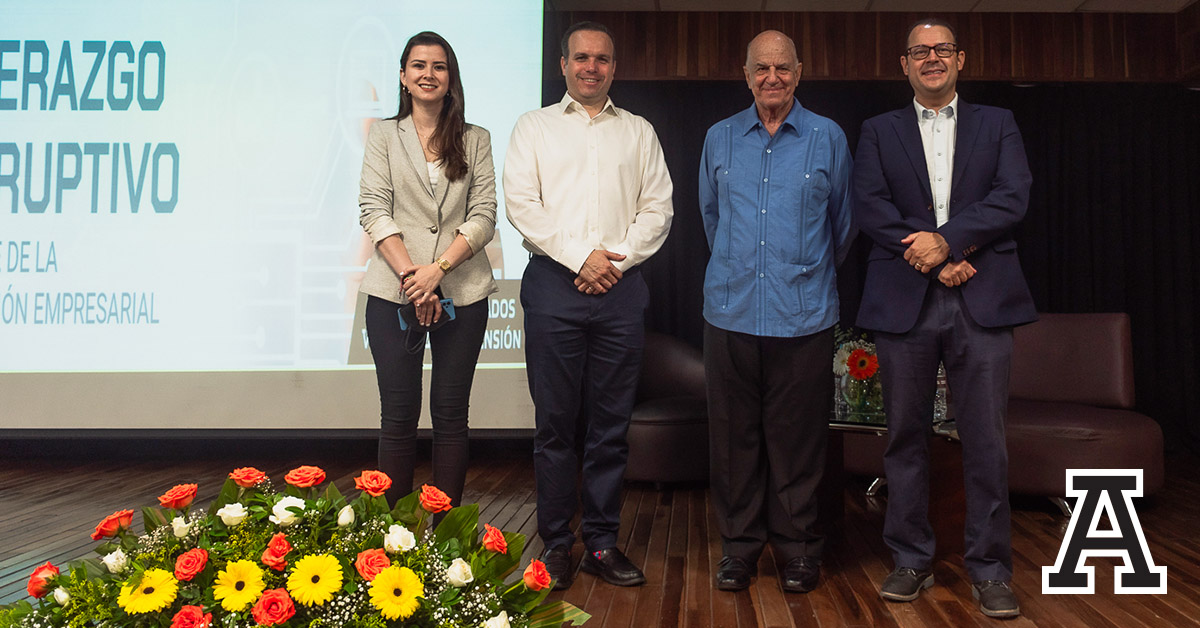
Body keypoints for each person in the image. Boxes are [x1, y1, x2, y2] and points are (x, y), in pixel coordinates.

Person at [852, 18, 1036, 619]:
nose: (931, 58)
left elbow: (1012, 195)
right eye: (919, 51)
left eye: (942, 49)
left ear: (960, 60)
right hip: (904, 298)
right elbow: (870, 205)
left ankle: (990, 569)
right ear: (904, 65)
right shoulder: (878, 130)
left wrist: (950, 242)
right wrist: (934, 259)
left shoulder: (998, 123)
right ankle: (910, 559)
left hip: (983, 294)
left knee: (986, 440)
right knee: (905, 438)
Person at [503, 21, 673, 590]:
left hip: (620, 291)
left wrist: (612, 264)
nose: (591, 67)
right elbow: (522, 205)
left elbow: (659, 209)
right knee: (555, 426)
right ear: (564, 64)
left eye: (602, 59)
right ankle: (556, 544)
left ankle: (601, 543)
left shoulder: (639, 131)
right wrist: (582, 258)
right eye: (581, 57)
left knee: (609, 428)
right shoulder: (533, 127)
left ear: (614, 67)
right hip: (555, 287)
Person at [698, 30, 853, 594]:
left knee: (799, 444)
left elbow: (842, 227)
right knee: (732, 442)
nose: (772, 78)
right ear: (746, 75)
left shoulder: (827, 137)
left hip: (803, 315)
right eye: (761, 68)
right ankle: (739, 550)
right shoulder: (719, 138)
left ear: (799, 72)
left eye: (782, 68)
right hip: (730, 311)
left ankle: (799, 551)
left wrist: (801, 273)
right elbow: (710, 218)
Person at [358, 31, 497, 507]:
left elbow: (484, 216)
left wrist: (437, 270)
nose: (428, 74)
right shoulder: (383, 135)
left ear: (450, 78)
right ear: (403, 76)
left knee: (451, 417)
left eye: (439, 66)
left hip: (463, 288)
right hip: (393, 291)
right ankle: (395, 536)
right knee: (397, 417)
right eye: (418, 65)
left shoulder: (476, 139)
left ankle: (444, 534)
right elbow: (374, 209)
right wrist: (413, 279)